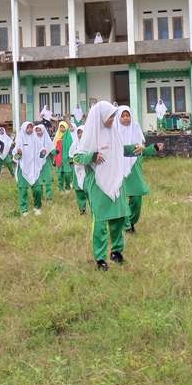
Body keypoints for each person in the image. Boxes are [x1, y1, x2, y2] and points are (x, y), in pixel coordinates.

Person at [73, 100, 148, 270]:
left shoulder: (113, 133)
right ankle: (100, 258)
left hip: (116, 181)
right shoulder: (91, 135)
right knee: (100, 222)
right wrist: (92, 156)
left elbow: (122, 150)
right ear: (100, 116)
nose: (113, 119)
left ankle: (116, 251)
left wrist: (136, 148)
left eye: (114, 116)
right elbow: (77, 157)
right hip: (98, 184)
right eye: (110, 116)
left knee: (119, 218)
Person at [116, 106, 164, 234]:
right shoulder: (113, 131)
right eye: (123, 115)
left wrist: (154, 147)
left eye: (128, 115)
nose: (126, 118)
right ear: (118, 117)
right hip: (118, 168)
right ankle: (126, 226)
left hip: (134, 168)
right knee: (121, 199)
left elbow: (142, 150)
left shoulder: (135, 128)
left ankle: (131, 222)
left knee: (136, 198)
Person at [14, 122, 47, 216]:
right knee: (23, 190)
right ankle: (24, 210)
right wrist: (19, 154)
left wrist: (43, 153)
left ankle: (37, 207)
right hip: (23, 169)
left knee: (38, 190)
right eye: (27, 128)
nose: (29, 129)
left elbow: (41, 155)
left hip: (34, 169)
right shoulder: (20, 141)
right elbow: (15, 158)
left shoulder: (36, 140)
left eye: (31, 127)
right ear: (24, 129)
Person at [34, 124, 57, 200]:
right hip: (37, 163)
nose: (38, 132)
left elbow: (52, 148)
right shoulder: (33, 140)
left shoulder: (47, 139)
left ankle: (49, 197)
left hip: (46, 163)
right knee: (38, 180)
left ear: (43, 131)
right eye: (37, 130)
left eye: (40, 130)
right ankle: (39, 196)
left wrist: (56, 152)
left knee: (48, 179)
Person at [69, 125, 88, 214]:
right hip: (77, 170)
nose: (80, 134)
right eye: (79, 132)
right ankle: (82, 209)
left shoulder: (89, 144)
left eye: (82, 132)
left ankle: (92, 207)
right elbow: (71, 154)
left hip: (86, 170)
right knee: (78, 190)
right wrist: (74, 160)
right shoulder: (75, 143)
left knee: (87, 188)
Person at [54, 121, 74, 192]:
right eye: (61, 127)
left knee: (67, 174)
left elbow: (72, 147)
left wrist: (71, 158)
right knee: (60, 174)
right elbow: (54, 148)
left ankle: (68, 186)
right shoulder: (57, 136)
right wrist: (54, 158)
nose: (62, 129)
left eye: (63, 127)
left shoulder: (69, 136)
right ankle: (60, 188)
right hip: (59, 159)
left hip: (67, 159)